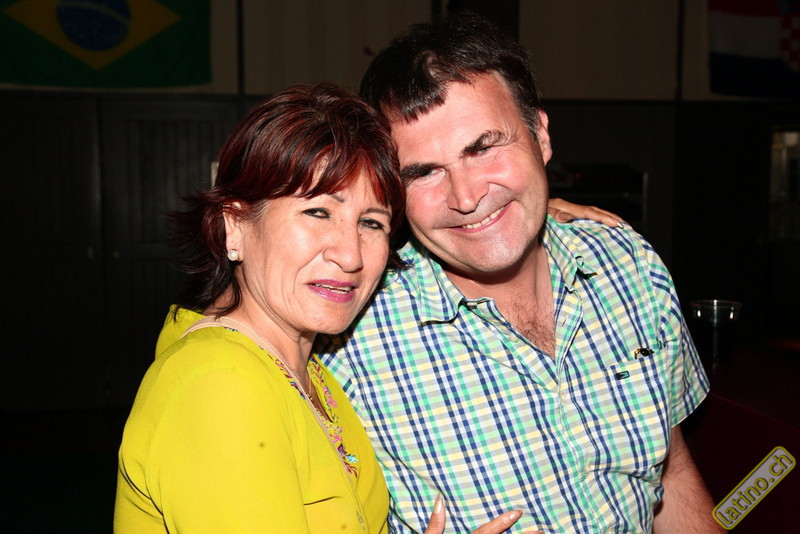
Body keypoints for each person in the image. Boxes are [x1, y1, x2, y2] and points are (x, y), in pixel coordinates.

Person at [318, 12, 723, 533]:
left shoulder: (628, 265)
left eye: (483, 147)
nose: (467, 197)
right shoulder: (350, 333)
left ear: (541, 136)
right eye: (425, 172)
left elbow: (671, 469)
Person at [114, 83, 548, 533]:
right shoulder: (220, 384)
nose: (350, 255)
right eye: (318, 213)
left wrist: (529, 210)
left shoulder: (305, 366)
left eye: (371, 223)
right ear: (235, 225)